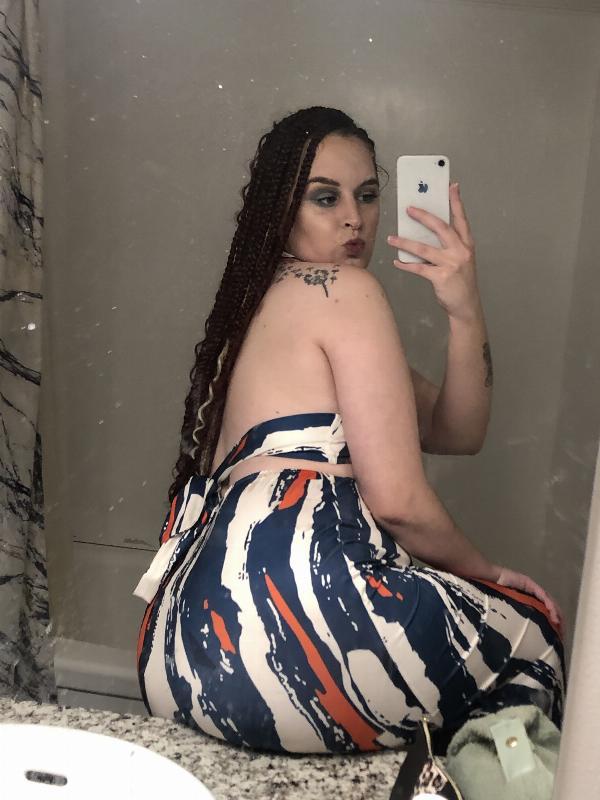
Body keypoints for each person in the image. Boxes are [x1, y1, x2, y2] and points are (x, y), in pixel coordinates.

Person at [134, 106, 566, 755]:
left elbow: (457, 430)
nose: (354, 219)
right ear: (282, 207)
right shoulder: (346, 292)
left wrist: (463, 308)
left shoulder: (259, 306)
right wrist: (491, 573)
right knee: (535, 636)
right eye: (325, 197)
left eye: (367, 195)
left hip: (182, 657)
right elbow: (398, 502)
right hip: (292, 641)